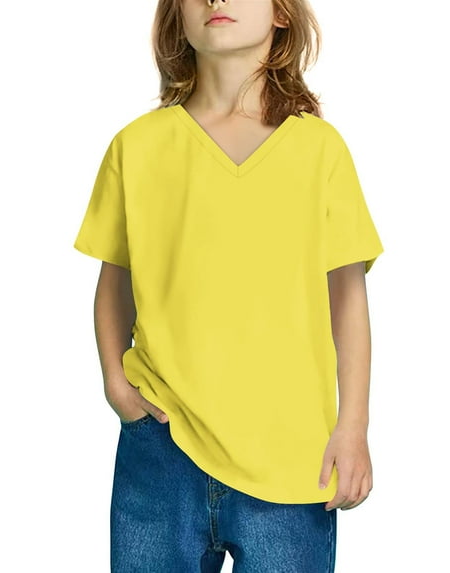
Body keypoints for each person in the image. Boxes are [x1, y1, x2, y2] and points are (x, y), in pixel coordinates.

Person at [73, 0, 384, 571]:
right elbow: (115, 283)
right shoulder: (136, 147)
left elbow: (347, 299)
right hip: (161, 444)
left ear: (282, 14)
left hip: (292, 454)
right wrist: (116, 383)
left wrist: (354, 427)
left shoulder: (321, 150)